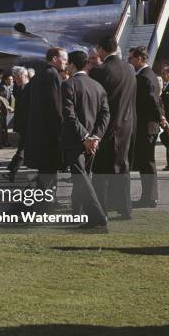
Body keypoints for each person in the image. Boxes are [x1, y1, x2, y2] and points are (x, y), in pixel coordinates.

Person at [61, 51, 110, 229]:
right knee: (82, 177)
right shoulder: (98, 86)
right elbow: (105, 114)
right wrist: (96, 136)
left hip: (76, 140)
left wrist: (86, 137)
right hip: (92, 141)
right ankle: (80, 215)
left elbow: (70, 116)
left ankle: (97, 215)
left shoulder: (68, 85)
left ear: (73, 65)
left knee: (81, 178)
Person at [91, 36, 136, 219]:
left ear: (101, 49)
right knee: (122, 168)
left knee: (100, 171)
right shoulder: (130, 69)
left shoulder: (100, 71)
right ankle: (125, 209)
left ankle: (101, 210)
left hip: (106, 127)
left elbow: (96, 105)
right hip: (126, 126)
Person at [24, 47, 68, 198]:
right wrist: (62, 130)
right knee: (49, 171)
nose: (66, 62)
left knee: (45, 172)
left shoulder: (39, 75)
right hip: (50, 134)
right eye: (64, 59)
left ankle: (44, 200)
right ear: (54, 59)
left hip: (39, 132)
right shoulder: (52, 75)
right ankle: (45, 202)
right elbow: (56, 107)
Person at [128, 46, 163, 208]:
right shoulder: (151, 75)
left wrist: (160, 118)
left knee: (147, 163)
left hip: (146, 126)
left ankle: (149, 198)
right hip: (150, 125)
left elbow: (153, 102)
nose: (130, 61)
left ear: (140, 58)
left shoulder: (144, 77)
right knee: (147, 163)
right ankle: (149, 197)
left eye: (132, 58)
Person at [3, 66, 30, 182]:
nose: (17, 81)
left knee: (23, 149)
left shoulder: (31, 88)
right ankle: (12, 172)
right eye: (15, 79)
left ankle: (12, 171)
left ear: (25, 76)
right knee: (23, 148)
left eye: (19, 78)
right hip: (22, 124)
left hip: (30, 124)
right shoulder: (18, 88)